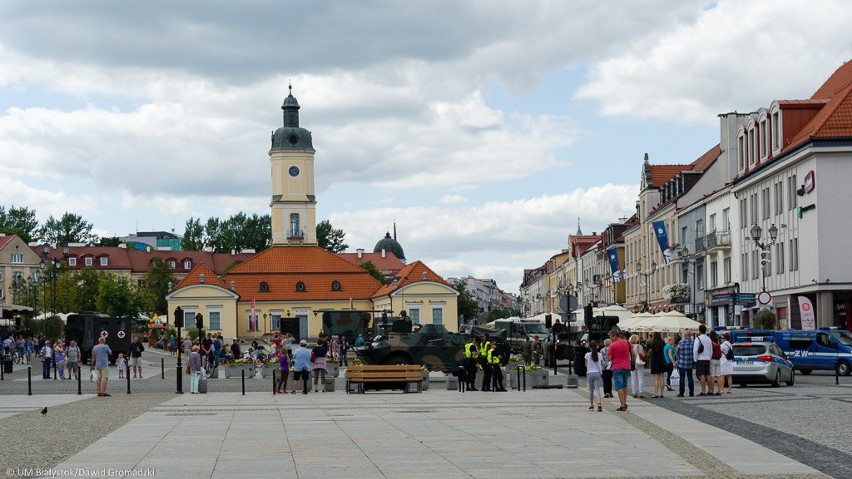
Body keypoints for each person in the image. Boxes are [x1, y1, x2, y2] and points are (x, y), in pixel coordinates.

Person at [607, 330, 634, 411]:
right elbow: (633, 353)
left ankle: (622, 405)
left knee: (619, 386)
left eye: (611, 337)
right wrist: (633, 362)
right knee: (625, 385)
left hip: (617, 367)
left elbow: (609, 358)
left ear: (614, 336)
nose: (610, 339)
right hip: (627, 366)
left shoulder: (612, 345)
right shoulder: (627, 342)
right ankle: (625, 402)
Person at [693, 324, 713, 396]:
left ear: (699, 331)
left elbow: (695, 350)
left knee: (702, 375)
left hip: (700, 359)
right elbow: (711, 350)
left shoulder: (698, 339)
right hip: (707, 359)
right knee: (708, 374)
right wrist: (709, 357)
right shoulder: (708, 339)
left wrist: (695, 359)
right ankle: (710, 390)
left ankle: (703, 391)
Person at [675, 330, 695, 397]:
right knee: (690, 377)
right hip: (690, 363)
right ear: (691, 335)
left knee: (682, 378)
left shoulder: (681, 342)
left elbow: (677, 352)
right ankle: (691, 392)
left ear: (685, 335)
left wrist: (677, 360)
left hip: (682, 363)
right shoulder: (693, 343)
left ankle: (681, 392)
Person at [585, 341, 604, 411]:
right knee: (597, 389)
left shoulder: (587, 355)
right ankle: (599, 403)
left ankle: (591, 405)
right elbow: (602, 364)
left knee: (591, 390)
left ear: (589, 347)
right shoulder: (599, 355)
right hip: (597, 373)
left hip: (590, 373)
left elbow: (586, 365)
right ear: (597, 347)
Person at [649, 332, 667, 398]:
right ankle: (662, 393)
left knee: (656, 378)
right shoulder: (662, 342)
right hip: (662, 360)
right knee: (662, 377)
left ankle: (656, 393)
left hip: (655, 361)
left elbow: (651, 350)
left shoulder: (652, 343)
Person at [629, 334, 646, 399]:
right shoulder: (639, 346)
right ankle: (641, 392)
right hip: (639, 363)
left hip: (632, 363)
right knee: (640, 378)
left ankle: (634, 392)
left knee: (633, 378)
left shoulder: (629, 346)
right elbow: (643, 355)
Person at [708, 330, 722, 396]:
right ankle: (719, 390)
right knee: (718, 376)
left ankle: (712, 390)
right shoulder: (718, 342)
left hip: (712, 360)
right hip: (718, 360)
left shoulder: (711, 342)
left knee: (712, 376)